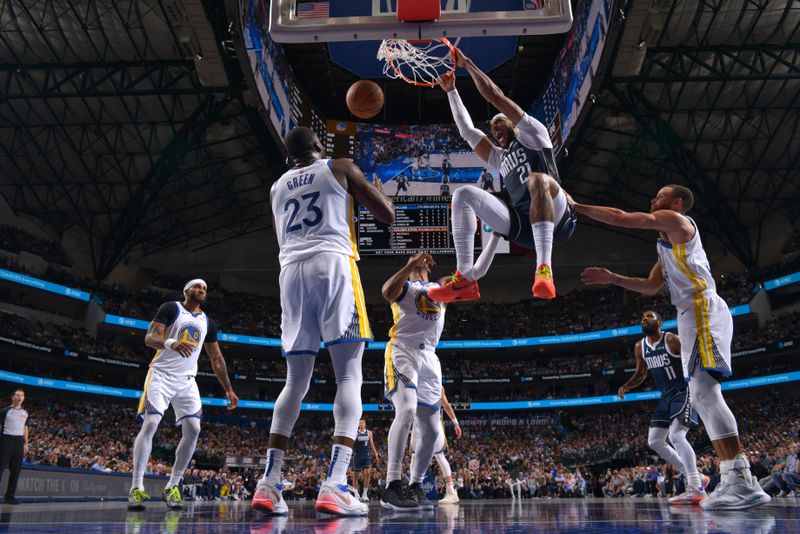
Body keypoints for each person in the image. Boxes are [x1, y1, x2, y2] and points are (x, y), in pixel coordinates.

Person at [576, 184, 770, 510]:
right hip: (689, 314)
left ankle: (741, 480)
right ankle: (736, 478)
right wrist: (612, 278)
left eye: (661, 195)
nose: (654, 199)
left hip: (701, 308)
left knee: (707, 393)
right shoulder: (665, 247)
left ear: (677, 202)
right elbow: (651, 286)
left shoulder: (678, 222)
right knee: (705, 394)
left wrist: (575, 205)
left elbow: (623, 218)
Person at [252, 126, 394, 518]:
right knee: (349, 375)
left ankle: (269, 480)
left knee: (295, 381)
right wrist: (373, 186)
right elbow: (388, 214)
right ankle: (335, 483)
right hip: (332, 265)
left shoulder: (276, 188)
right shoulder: (341, 166)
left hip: (290, 275)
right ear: (319, 147)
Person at [429, 48, 576, 303]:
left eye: (500, 124)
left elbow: (493, 95)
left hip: (558, 217)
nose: (495, 130)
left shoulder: (533, 133)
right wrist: (451, 91)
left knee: (537, 180)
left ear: (513, 123)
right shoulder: (499, 157)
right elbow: (467, 131)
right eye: (492, 129)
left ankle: (544, 270)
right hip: (524, 225)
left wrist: (468, 64)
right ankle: (464, 277)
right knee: (463, 194)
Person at [380, 248, 498, 511]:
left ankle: (414, 485)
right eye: (414, 264)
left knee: (432, 431)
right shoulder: (404, 286)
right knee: (407, 408)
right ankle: (391, 485)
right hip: (403, 350)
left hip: (430, 359)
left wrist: (493, 240)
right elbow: (387, 291)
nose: (420, 265)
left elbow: (471, 275)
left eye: (421, 264)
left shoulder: (439, 286)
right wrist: (408, 264)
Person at [129, 280, 239, 510]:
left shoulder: (208, 322)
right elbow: (150, 338)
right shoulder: (171, 308)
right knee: (151, 424)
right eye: (197, 287)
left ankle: (173, 486)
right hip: (160, 375)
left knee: (194, 429)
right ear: (186, 291)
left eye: (205, 289)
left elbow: (216, 359)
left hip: (187, 381)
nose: (202, 290)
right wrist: (170, 342)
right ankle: (136, 487)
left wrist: (228, 389)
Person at [619, 310, 707, 505]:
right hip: (665, 396)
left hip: (683, 391)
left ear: (660, 322)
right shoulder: (639, 347)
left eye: (649, 317)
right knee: (655, 441)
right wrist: (626, 386)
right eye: (642, 318)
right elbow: (641, 374)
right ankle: (697, 477)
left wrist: (698, 383)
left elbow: (692, 358)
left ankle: (695, 486)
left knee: (676, 436)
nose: (644, 319)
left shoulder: (671, 339)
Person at [410, 386, 462, 504]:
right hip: (418, 423)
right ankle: (412, 489)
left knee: (438, 456)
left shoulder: (436, 384)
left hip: (432, 421)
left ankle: (451, 491)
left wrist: (455, 423)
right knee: (415, 455)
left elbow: (446, 404)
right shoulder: (417, 381)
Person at [0, 389, 28, 505]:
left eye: (21, 395)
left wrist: (26, 443)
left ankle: (10, 496)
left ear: (24, 398)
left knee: (16, 470)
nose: (19, 397)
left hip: (19, 441)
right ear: (13, 397)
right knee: (0, 468)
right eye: (17, 395)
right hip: (6, 440)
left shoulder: (25, 412)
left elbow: (25, 428)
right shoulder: (5, 411)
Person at [351, 419, 379, 502]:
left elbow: (372, 444)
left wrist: (376, 455)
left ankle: (365, 494)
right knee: (356, 475)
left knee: (367, 473)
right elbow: (352, 444)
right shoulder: (355, 432)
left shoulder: (369, 432)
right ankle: (356, 493)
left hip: (366, 455)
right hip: (357, 455)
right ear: (358, 425)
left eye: (363, 422)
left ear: (365, 424)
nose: (362, 423)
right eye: (360, 422)